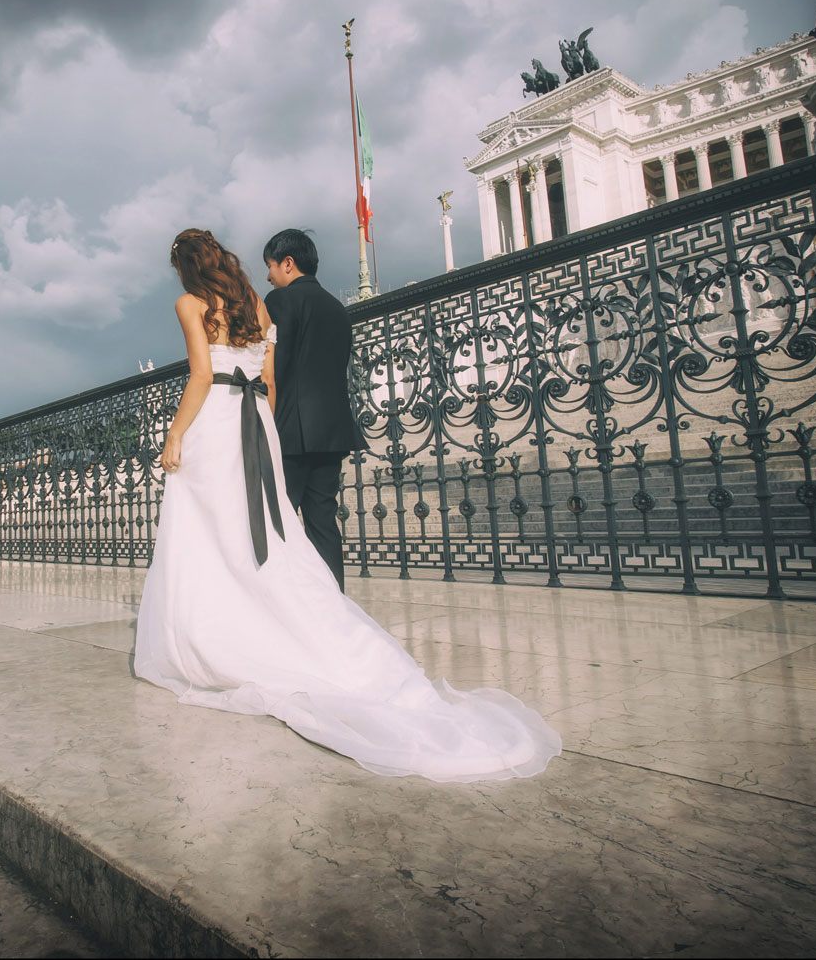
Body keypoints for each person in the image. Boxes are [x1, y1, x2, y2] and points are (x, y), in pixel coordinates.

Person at [132, 230, 560, 783]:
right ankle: (313, 611)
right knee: (283, 525)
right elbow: (266, 380)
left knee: (214, 529)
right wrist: (263, 428)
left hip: (220, 421)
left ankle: (217, 626)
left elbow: (199, 376)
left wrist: (173, 437)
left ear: (185, 268)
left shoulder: (190, 303)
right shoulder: (263, 304)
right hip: (269, 421)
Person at [261, 229, 366, 590]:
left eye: (271, 266)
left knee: (278, 521)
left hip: (290, 431)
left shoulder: (279, 302)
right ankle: (333, 603)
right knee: (323, 521)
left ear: (288, 264)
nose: (269, 276)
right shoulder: (337, 308)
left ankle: (285, 605)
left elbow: (272, 368)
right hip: (332, 430)